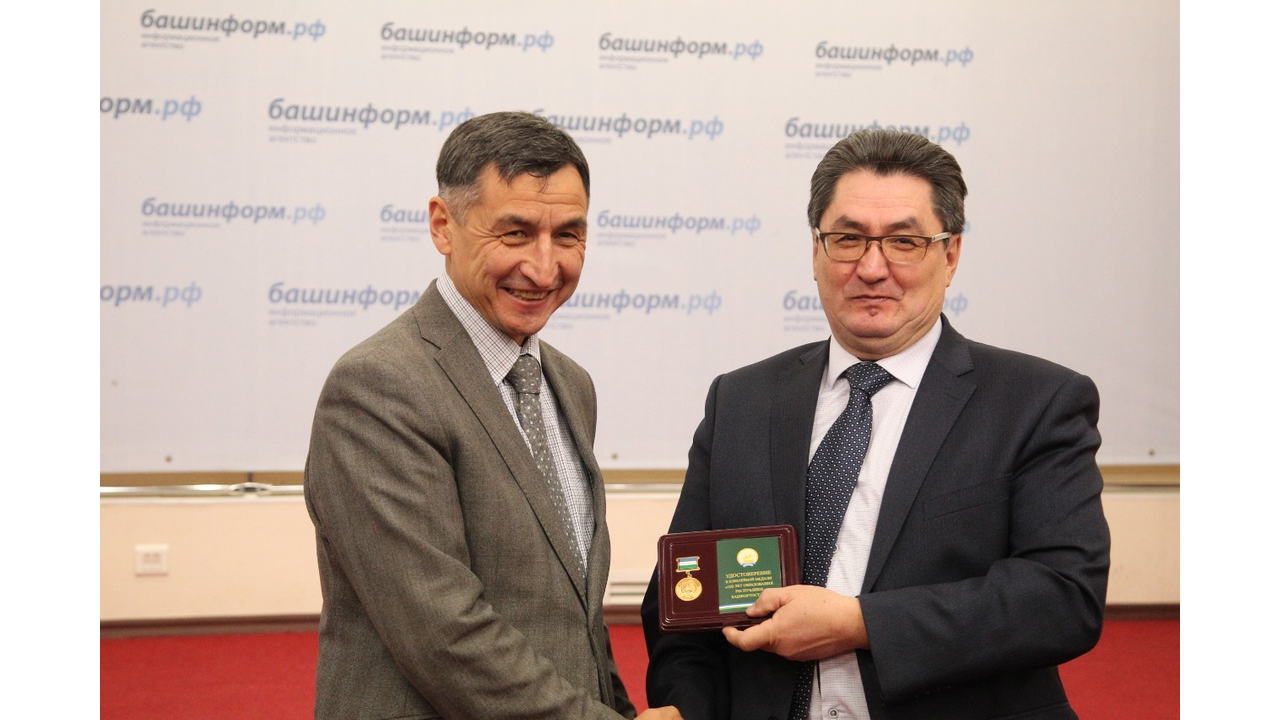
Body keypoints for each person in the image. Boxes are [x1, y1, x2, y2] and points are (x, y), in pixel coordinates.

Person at [640, 128, 1110, 719]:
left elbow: (1063, 596)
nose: (871, 267)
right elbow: (683, 603)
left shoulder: (1036, 402)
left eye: (904, 241)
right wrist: (686, 709)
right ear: (816, 251)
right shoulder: (741, 401)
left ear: (950, 255)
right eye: (847, 239)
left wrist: (860, 624)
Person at [304, 111, 681, 720]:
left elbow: (574, 614)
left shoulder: (570, 385)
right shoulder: (378, 387)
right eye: (515, 233)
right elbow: (444, 634)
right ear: (442, 225)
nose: (544, 267)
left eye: (568, 235)